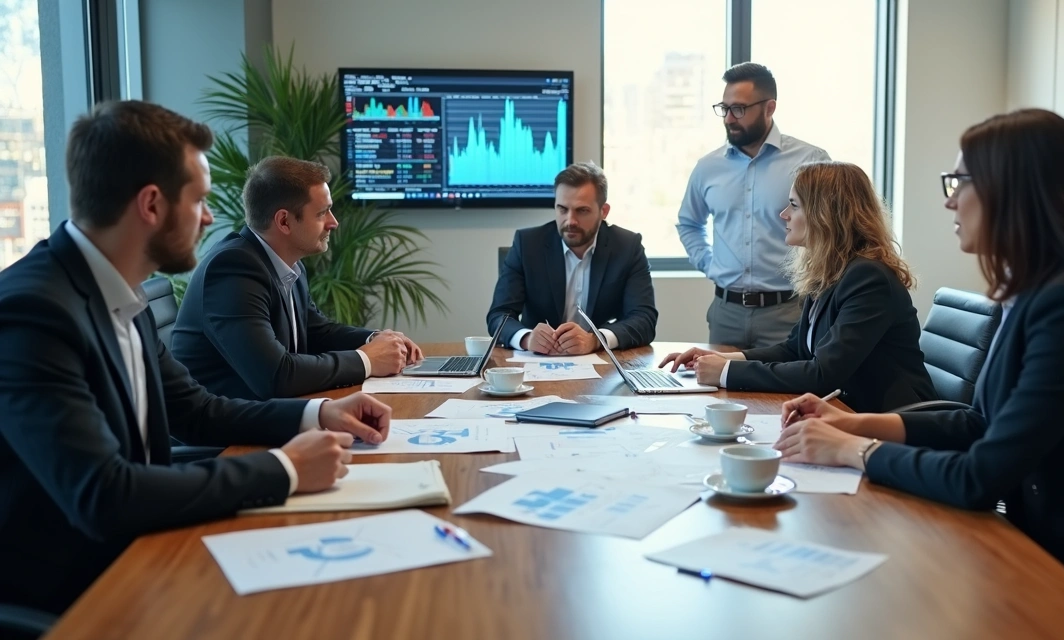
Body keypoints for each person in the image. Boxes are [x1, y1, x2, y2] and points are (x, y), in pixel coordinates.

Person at [772, 109, 1064, 637]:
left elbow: (980, 478)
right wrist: (855, 424)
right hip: (1047, 543)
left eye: (961, 182)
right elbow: (981, 422)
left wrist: (852, 453)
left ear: (1014, 190)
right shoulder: (1029, 294)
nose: (949, 199)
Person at [0, 101, 394, 615]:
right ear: (151, 205)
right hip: (82, 590)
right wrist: (284, 469)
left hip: (149, 549)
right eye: (200, 200)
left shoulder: (123, 292)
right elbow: (104, 495)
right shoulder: (34, 312)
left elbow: (196, 409)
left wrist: (318, 413)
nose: (210, 217)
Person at [661, 162, 936, 413]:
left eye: (793, 205)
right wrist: (721, 358)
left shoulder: (868, 277)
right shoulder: (835, 270)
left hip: (890, 419)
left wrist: (726, 372)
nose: (783, 215)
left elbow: (822, 374)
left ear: (824, 214)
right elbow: (795, 349)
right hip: (845, 409)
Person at [172, 156, 423, 400]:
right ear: (284, 221)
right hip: (227, 437)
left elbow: (316, 332)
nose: (333, 223)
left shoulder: (287, 265)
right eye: (322, 213)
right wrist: (367, 360)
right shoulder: (232, 269)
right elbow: (275, 376)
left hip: (268, 419)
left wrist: (376, 340)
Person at [677, 62, 831, 349]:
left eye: (739, 109)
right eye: (724, 108)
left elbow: (829, 229)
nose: (729, 118)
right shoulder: (708, 167)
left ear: (769, 108)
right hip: (726, 312)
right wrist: (709, 265)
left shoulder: (810, 161)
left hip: (789, 311)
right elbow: (689, 223)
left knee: (787, 391)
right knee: (718, 390)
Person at [487, 162, 657, 355]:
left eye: (581, 211)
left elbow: (644, 319)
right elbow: (499, 315)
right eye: (562, 209)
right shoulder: (528, 244)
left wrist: (595, 340)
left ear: (604, 211)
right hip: (537, 362)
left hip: (600, 366)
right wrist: (526, 338)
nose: (570, 221)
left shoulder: (627, 247)